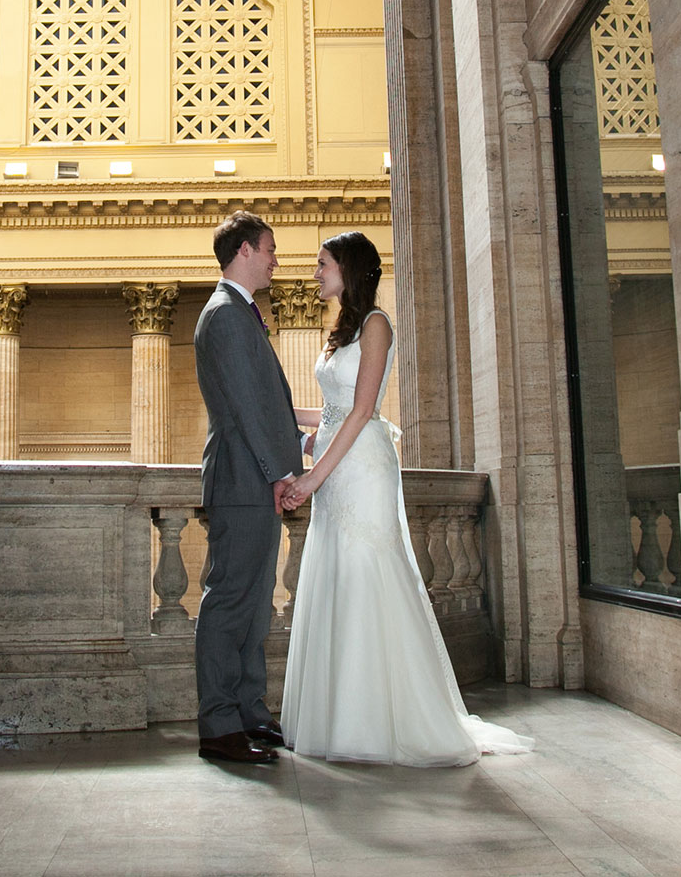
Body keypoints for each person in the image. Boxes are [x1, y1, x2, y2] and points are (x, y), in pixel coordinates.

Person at [278, 231, 533, 765]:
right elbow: (330, 410)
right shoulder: (341, 329)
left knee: (369, 573)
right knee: (337, 576)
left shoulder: (376, 325)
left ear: (348, 268)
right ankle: (337, 716)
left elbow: (363, 411)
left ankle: (385, 720)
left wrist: (311, 478)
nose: (316, 272)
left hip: (361, 469)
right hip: (339, 465)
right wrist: (284, 420)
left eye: (323, 264)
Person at [192, 210, 303, 764]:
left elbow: (267, 403)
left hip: (251, 480)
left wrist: (296, 452)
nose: (275, 259)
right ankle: (218, 723)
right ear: (244, 251)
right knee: (230, 602)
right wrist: (279, 472)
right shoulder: (226, 316)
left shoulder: (240, 313)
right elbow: (246, 409)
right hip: (242, 479)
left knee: (256, 604)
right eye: (270, 249)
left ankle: (248, 709)